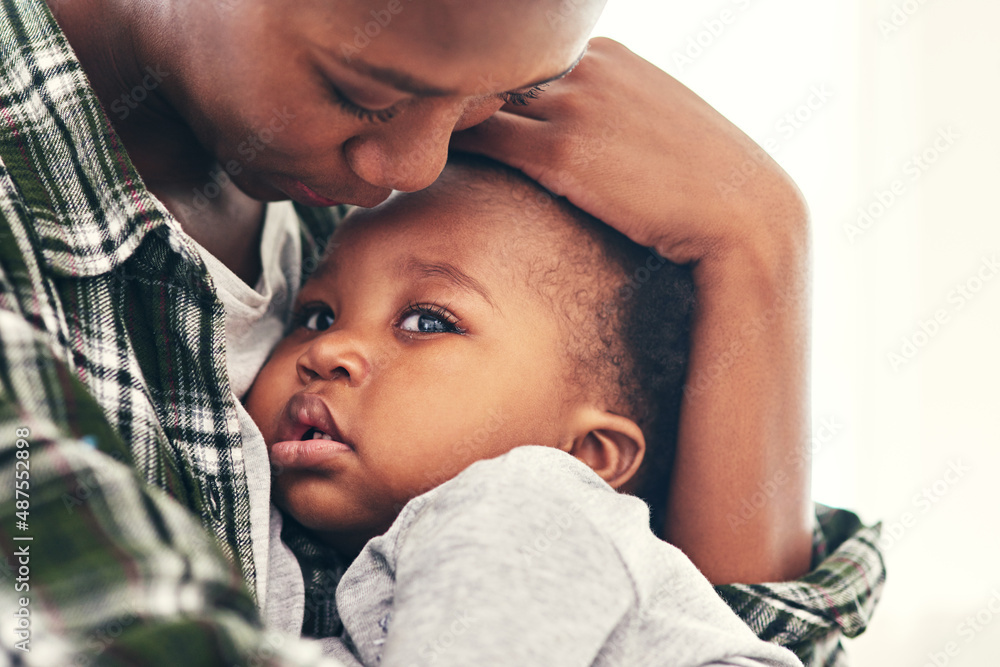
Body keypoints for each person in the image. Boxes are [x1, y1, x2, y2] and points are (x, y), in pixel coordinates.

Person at [0, 0, 883, 664]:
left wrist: (756, 244)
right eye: (365, 93)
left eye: (487, 103)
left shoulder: (411, 243)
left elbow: (692, 625)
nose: (407, 171)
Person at [244, 155, 804, 666]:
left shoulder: (528, 505)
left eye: (426, 322)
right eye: (318, 315)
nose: (326, 351)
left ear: (584, 457)